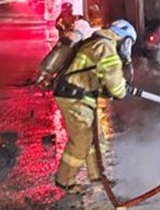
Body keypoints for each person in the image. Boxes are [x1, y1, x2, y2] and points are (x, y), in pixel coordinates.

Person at [52, 19, 137, 194]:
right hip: (75, 97)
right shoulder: (106, 47)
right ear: (125, 40)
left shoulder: (97, 42)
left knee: (96, 139)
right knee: (82, 140)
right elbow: (113, 80)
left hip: (79, 95)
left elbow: (98, 78)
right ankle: (64, 181)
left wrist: (113, 90)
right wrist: (121, 91)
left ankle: (97, 176)